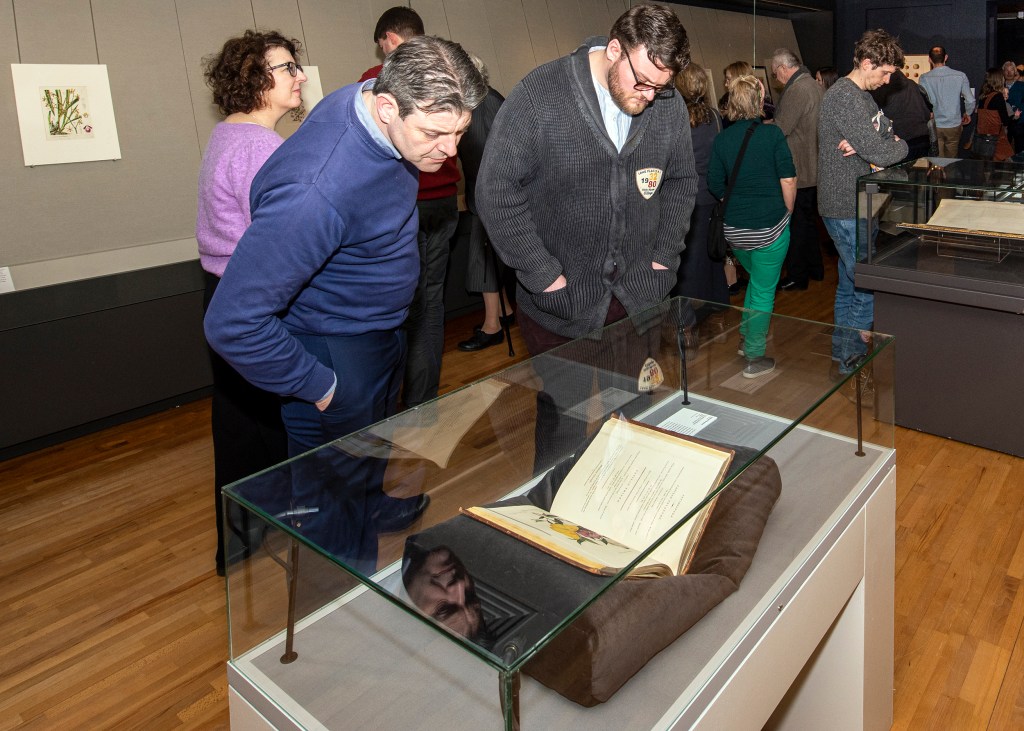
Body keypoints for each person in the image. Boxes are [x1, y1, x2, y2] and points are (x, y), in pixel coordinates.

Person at [204, 37, 486, 560]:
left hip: (375, 334)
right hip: (334, 352)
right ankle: (340, 606)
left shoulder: (372, 102)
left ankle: (368, 503)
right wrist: (322, 386)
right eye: (434, 133)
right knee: (334, 526)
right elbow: (232, 321)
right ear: (385, 107)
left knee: (367, 459)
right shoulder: (316, 190)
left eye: (460, 133)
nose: (450, 152)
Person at [477, 4, 694, 471]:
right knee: (563, 424)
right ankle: (551, 519)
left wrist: (663, 259)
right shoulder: (540, 95)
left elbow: (681, 182)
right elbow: (495, 189)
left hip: (638, 297)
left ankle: (626, 514)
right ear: (614, 49)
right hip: (560, 304)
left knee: (639, 413)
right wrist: (542, 273)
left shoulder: (665, 104)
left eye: (662, 86)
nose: (651, 97)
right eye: (642, 81)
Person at [196, 30, 305, 576]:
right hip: (256, 301)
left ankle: (238, 544)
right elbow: (285, 240)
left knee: (242, 426)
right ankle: (291, 533)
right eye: (287, 68)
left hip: (222, 291)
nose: (300, 76)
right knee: (280, 424)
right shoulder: (262, 148)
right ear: (256, 81)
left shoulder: (226, 136)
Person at [360, 7, 463, 406]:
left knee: (399, 303)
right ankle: (422, 405)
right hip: (444, 203)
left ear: (389, 39)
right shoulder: (453, 72)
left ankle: (390, 407)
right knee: (431, 302)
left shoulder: (379, 81)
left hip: (403, 207)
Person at [818, 28, 907, 387]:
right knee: (866, 284)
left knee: (851, 284)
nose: (887, 81)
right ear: (867, 63)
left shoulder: (859, 96)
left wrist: (880, 142)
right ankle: (852, 359)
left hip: (854, 202)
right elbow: (888, 148)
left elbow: (886, 133)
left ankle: (844, 353)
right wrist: (888, 145)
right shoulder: (847, 97)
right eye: (884, 72)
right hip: (846, 205)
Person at [708, 75, 796, 379]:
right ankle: (755, 357)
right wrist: (787, 211)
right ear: (759, 102)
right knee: (762, 290)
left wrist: (735, 203)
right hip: (770, 227)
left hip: (735, 230)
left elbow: (714, 183)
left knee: (756, 281)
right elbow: (788, 178)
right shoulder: (772, 136)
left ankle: (746, 339)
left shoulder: (722, 139)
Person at [454, 56, 514, 353]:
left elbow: (485, 155)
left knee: (482, 258)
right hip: (493, 192)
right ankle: (503, 311)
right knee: (486, 257)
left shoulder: (481, 103)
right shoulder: (489, 98)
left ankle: (492, 326)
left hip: (491, 195)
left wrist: (478, 197)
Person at [670, 62, 729, 329]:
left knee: (689, 261)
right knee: (710, 252)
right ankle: (716, 302)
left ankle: (687, 317)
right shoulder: (715, 116)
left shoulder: (675, 119)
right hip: (711, 195)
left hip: (684, 198)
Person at [771, 48, 824, 292]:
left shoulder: (798, 89)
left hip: (800, 168)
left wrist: (762, 128)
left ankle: (797, 276)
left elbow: (782, 127)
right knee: (808, 223)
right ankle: (815, 269)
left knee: (797, 226)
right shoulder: (812, 84)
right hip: (813, 166)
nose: (776, 79)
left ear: (783, 68)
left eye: (775, 74)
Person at [918, 46, 974, 157]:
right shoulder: (960, 76)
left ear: (929, 59)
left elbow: (925, 101)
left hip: (935, 124)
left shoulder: (924, 78)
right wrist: (968, 113)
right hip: (954, 124)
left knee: (937, 159)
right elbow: (970, 100)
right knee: (951, 159)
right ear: (946, 57)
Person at [870, 68, 932, 163]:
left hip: (902, 140)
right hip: (922, 137)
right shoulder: (912, 84)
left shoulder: (882, 90)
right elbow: (927, 112)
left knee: (900, 175)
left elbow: (882, 118)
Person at [975, 68, 1018, 161]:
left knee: (985, 166)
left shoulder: (983, 95)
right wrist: (1014, 117)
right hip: (995, 138)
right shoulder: (998, 97)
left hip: (982, 137)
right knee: (1004, 165)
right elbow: (1005, 121)